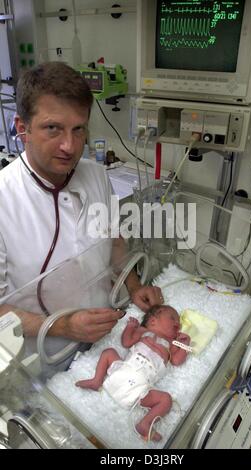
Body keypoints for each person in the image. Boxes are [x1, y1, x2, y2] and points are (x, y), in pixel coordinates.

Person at [0, 61, 163, 366]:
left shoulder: (96, 175)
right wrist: (64, 326)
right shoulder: (5, 199)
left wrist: (133, 285)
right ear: (22, 128)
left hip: (105, 338)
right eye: (53, 128)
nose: (69, 146)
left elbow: (113, 242)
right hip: (40, 359)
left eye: (79, 130)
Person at [76, 305, 190, 441]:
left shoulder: (172, 344)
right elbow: (126, 342)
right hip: (124, 369)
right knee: (108, 352)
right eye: (173, 318)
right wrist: (130, 327)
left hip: (141, 387)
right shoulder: (143, 331)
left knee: (166, 400)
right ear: (153, 320)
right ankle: (97, 380)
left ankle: (145, 423)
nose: (178, 323)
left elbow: (177, 361)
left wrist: (185, 344)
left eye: (178, 322)